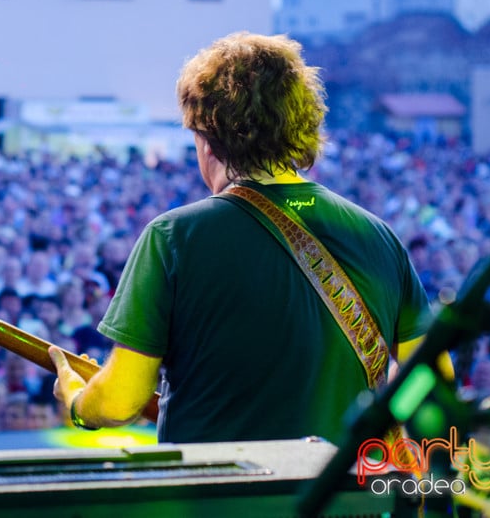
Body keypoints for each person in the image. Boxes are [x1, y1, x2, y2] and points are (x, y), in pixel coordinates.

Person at [48, 32, 451, 444]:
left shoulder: (173, 237)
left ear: (207, 136)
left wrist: (78, 400)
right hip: (344, 496)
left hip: (219, 496)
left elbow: (119, 402)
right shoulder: (377, 236)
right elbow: (435, 380)